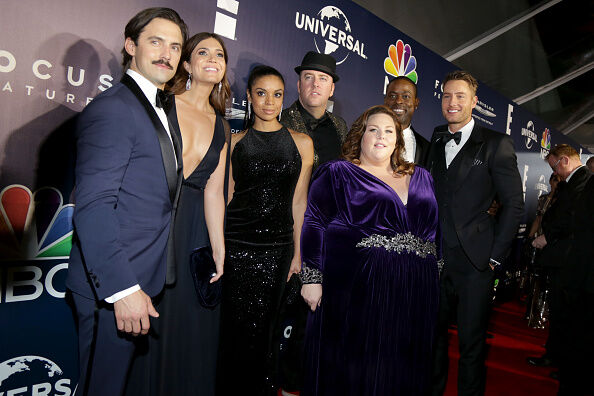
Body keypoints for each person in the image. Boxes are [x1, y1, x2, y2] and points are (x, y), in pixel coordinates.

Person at [65, 8, 187, 396]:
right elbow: (94, 205)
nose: (167, 53)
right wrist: (122, 289)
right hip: (115, 287)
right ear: (131, 45)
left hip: (142, 279)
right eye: (156, 42)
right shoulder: (114, 108)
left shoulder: (158, 106)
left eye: (175, 46)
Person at [300, 105, 441, 395]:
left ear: (398, 140)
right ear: (359, 135)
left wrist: (435, 274)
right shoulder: (338, 172)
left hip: (416, 288)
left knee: (403, 365)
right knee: (358, 365)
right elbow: (314, 221)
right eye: (373, 129)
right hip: (360, 288)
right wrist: (311, 277)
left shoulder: (422, 176)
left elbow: (436, 229)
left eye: (389, 131)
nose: (381, 136)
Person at [125, 32, 230, 396]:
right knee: (151, 322)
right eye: (203, 52)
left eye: (220, 54)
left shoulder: (222, 125)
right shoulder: (162, 102)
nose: (213, 59)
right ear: (186, 63)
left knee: (190, 328)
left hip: (194, 235)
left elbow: (215, 191)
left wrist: (218, 248)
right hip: (152, 223)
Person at [427, 70, 524, 395]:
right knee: (432, 342)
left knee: (471, 347)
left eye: (460, 96)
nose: (452, 103)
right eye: (446, 96)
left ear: (474, 102)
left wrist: (495, 257)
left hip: (476, 265)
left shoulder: (497, 144)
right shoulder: (437, 136)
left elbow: (513, 204)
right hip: (435, 261)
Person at [219, 65, 314, 395]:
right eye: (261, 93)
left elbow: (299, 202)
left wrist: (299, 255)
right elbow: (227, 197)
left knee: (266, 332)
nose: (269, 102)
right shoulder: (234, 142)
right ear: (249, 96)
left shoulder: (301, 143)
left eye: (277, 95)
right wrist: (220, 249)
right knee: (234, 331)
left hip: (277, 250)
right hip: (237, 246)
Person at [531, 144, 593, 394]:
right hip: (568, 261)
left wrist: (549, 237)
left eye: (555, 168)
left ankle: (566, 363)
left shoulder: (584, 182)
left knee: (569, 316)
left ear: (565, 161)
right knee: (562, 313)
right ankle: (561, 360)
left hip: (574, 264)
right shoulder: (578, 182)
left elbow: (572, 219)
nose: (555, 175)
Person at [281, 51, 348, 168]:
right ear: (299, 85)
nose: (315, 83)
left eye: (323, 78)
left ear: (332, 89)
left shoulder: (340, 126)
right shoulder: (279, 122)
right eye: (308, 77)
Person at [384, 76, 430, 166]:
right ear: (385, 100)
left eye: (406, 96)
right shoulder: (366, 136)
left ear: (416, 103)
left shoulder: (427, 148)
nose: (398, 101)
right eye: (392, 96)